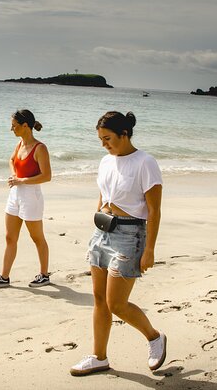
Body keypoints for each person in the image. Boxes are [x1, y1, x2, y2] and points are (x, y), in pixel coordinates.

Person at [70, 111, 166, 376]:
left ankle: (154, 337)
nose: (104, 144)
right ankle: (99, 357)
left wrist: (149, 250)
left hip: (130, 235)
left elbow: (154, 211)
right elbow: (103, 195)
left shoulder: (145, 162)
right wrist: (96, 228)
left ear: (124, 134)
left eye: (108, 138)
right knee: (99, 299)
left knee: (117, 304)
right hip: (102, 232)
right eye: (101, 140)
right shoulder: (105, 161)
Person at [0, 109, 52, 290]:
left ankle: (44, 275)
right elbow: (11, 160)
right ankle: (4, 277)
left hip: (32, 196)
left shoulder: (40, 148)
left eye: (14, 126)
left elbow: (47, 176)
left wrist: (21, 180)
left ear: (25, 126)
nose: (11, 129)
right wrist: (14, 175)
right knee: (9, 237)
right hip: (15, 195)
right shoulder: (19, 144)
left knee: (37, 237)